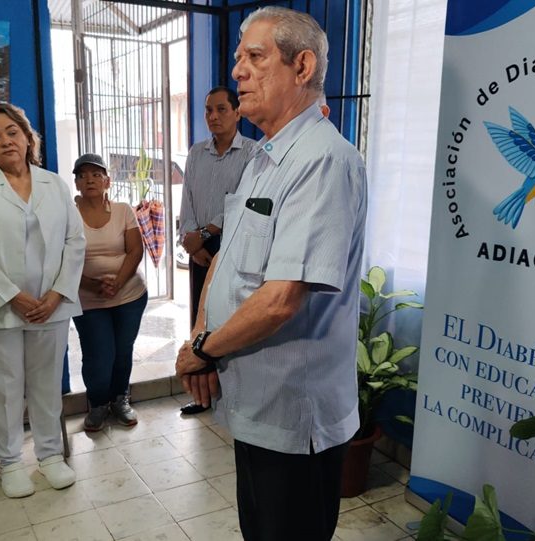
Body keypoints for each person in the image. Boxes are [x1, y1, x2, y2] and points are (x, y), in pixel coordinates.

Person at [175, 7, 367, 541]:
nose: (238, 70)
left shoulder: (323, 161)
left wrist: (204, 349)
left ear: (302, 67)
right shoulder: (264, 157)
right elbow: (224, 257)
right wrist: (200, 336)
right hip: (256, 406)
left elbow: (282, 298)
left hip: (293, 416)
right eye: (239, 57)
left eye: (255, 57)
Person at [0, 102, 85, 498]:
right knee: (3, 388)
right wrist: (13, 296)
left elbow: (75, 241)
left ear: (28, 138)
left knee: (46, 384)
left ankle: (50, 455)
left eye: (12, 132)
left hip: (51, 305)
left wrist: (57, 293)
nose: (6, 141)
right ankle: (9, 462)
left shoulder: (54, 184)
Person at [178, 86, 256, 415]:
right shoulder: (197, 153)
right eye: (209, 110)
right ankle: (204, 394)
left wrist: (205, 232)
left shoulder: (252, 153)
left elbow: (243, 201)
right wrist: (191, 241)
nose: (213, 116)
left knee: (230, 317)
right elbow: (187, 199)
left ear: (237, 113)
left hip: (234, 244)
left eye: (222, 109)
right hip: (201, 249)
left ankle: (233, 392)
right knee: (201, 317)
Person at [71, 153, 148, 430]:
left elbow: (135, 250)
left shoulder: (123, 210)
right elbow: (63, 258)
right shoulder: (69, 215)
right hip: (88, 298)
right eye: (82, 176)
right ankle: (97, 403)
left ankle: (119, 399)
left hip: (129, 294)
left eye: (96, 174)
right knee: (99, 354)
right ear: (77, 184)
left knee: (122, 350)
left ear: (108, 181)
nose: (89, 180)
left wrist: (117, 282)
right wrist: (93, 284)